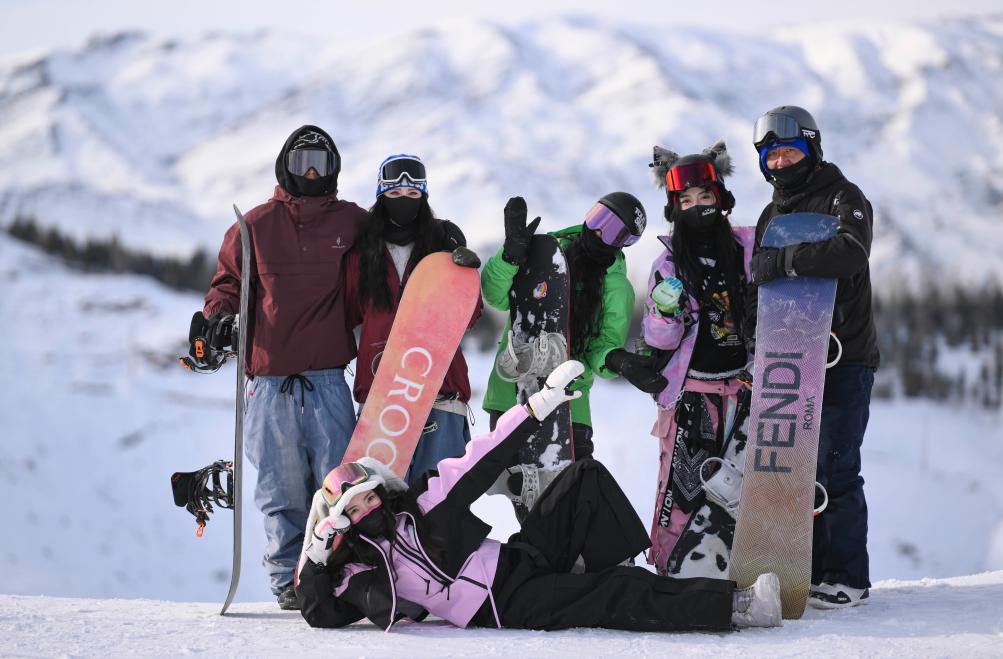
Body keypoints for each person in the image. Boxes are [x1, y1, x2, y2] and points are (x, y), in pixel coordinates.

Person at [294, 361, 783, 632]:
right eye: (352, 510)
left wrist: (537, 407)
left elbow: (481, 456)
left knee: (584, 478)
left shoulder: (424, 507)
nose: (366, 510)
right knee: (614, 592)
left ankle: (605, 574)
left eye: (368, 498)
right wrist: (317, 556)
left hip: (518, 559)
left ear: (382, 492)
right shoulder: (358, 570)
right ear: (341, 523)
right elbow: (321, 614)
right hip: (505, 605)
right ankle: (737, 607)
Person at [193, 125, 366, 610]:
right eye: (301, 162)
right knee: (281, 490)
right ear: (284, 167)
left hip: (328, 380)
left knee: (338, 488)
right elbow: (227, 284)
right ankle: (289, 581)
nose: (311, 173)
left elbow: (398, 240)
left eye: (320, 163)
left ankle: (335, 572)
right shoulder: (254, 226)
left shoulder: (353, 222)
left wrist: (436, 235)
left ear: (334, 169)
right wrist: (218, 318)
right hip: (269, 385)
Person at [746, 105, 879, 608]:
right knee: (789, 470)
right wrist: (754, 340)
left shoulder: (845, 196)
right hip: (789, 359)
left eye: (789, 151)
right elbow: (760, 287)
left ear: (811, 149)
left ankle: (847, 577)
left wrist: (786, 260)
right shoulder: (771, 215)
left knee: (835, 466)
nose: (780, 162)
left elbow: (851, 252)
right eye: (770, 155)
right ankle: (804, 568)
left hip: (844, 357)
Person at [480, 193, 663, 504]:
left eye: (614, 231)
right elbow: (495, 296)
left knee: (568, 504)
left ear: (625, 243)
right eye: (598, 218)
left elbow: (601, 346)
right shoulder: (543, 253)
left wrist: (617, 359)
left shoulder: (616, 288)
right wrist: (510, 256)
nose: (598, 231)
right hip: (512, 393)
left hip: (567, 407)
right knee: (523, 500)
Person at [639, 140, 754, 578]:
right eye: (685, 200)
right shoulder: (669, 262)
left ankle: (742, 568)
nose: (697, 206)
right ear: (674, 208)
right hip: (692, 393)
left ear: (720, 197)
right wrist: (663, 310)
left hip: (744, 390)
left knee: (742, 487)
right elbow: (660, 338)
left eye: (704, 196)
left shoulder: (747, 247)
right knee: (686, 487)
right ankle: (673, 570)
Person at [343, 154, 483, 484]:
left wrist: (460, 272)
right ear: (380, 197)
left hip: (441, 394)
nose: (403, 201)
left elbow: (469, 315)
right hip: (382, 401)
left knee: (440, 503)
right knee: (378, 506)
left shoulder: (442, 244)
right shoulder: (363, 252)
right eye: (394, 194)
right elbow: (348, 312)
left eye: (412, 194)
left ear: (424, 196)